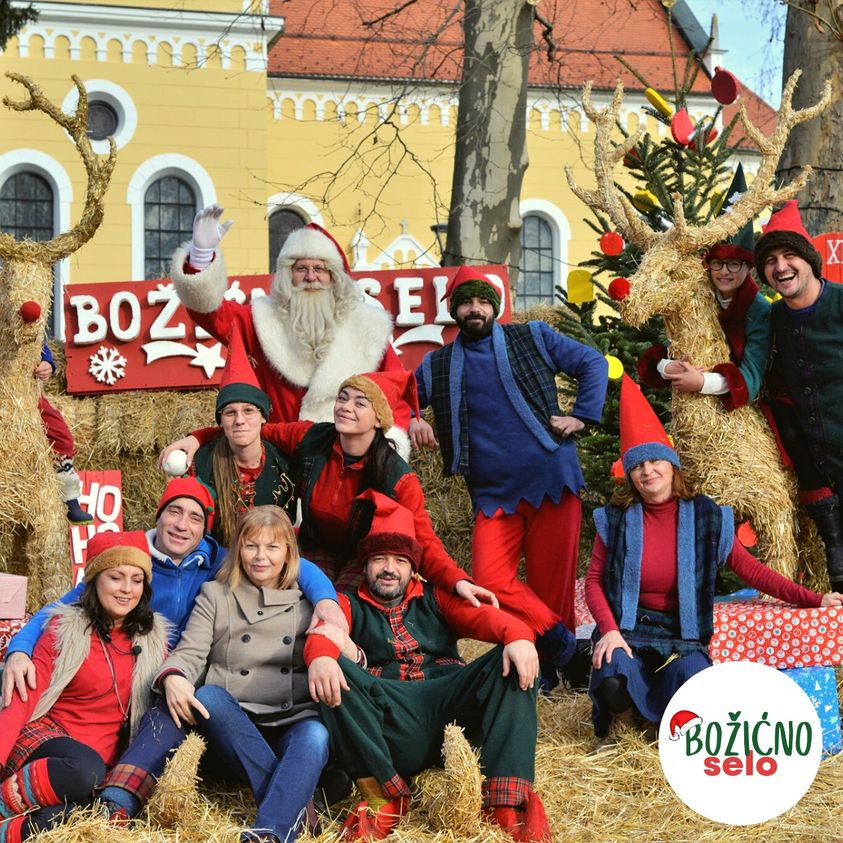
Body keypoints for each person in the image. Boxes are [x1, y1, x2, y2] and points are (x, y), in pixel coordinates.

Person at [2, 477, 341, 820]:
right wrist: (20, 648)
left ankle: (285, 806)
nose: (182, 525)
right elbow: (58, 612)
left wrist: (327, 601)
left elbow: (282, 558)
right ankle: (116, 803)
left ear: (205, 529)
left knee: (181, 707)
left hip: (175, 672)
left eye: (195, 518)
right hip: (151, 673)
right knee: (167, 709)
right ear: (158, 515)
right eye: (174, 512)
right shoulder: (129, 558)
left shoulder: (220, 562)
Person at [585, 375, 842, 749]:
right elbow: (594, 580)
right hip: (627, 628)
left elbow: (751, 570)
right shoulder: (615, 519)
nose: (648, 471)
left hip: (682, 634)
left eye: (656, 461)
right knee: (611, 676)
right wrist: (608, 631)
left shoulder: (705, 517)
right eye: (638, 466)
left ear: (672, 466)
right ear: (630, 474)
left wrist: (814, 599)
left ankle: (660, 723)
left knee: (697, 688)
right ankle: (626, 724)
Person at [306, 491, 550, 842]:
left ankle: (505, 804)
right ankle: (383, 796)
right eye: (379, 558)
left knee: (510, 656)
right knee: (334, 669)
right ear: (365, 564)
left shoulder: (435, 597)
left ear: (413, 568)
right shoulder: (347, 603)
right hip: (392, 718)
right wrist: (320, 657)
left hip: (450, 707)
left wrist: (520, 637)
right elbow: (322, 633)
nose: (389, 568)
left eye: (399, 560)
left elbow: (493, 620)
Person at [412, 265, 609, 688]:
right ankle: (566, 652)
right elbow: (397, 393)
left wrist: (582, 415)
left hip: (552, 481)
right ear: (454, 311)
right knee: (489, 581)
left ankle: (548, 674)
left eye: (482, 301)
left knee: (551, 585)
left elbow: (592, 362)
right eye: (466, 302)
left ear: (495, 307)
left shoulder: (532, 336)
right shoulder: (436, 364)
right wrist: (412, 417)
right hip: (492, 495)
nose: (475, 309)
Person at [161, 370, 495, 605]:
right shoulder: (313, 437)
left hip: (362, 558)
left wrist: (457, 580)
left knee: (342, 608)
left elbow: (424, 539)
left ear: (379, 419)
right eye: (342, 398)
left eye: (359, 403)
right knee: (294, 599)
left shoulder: (397, 477)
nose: (345, 407)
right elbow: (248, 428)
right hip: (314, 548)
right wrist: (196, 439)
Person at [170, 206, 412, 456]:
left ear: (334, 277)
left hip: (347, 461)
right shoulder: (260, 319)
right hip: (278, 458)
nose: (311, 277)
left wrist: (388, 447)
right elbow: (211, 313)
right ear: (288, 275)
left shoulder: (367, 327)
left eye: (320, 269)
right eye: (301, 269)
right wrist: (201, 256)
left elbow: (394, 390)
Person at [153, 506, 328, 843]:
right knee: (208, 696)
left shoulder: (309, 602)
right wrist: (173, 675)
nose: (260, 557)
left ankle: (268, 832)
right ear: (238, 549)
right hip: (234, 725)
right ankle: (293, 807)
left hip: (290, 718)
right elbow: (191, 651)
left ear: (288, 553)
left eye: (272, 547)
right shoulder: (216, 595)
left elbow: (335, 648)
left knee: (316, 735)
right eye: (251, 546)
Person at [0, 532, 169, 842]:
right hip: (50, 743)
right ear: (94, 579)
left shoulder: (152, 640)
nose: (127, 589)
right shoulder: (66, 629)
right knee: (85, 770)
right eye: (115, 577)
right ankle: (2, 803)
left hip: (99, 765)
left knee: (84, 816)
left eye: (136, 580)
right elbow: (24, 696)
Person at [757, 200, 843, 595]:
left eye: (789, 255)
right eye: (770, 260)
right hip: (819, 477)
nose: (780, 267)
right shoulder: (774, 319)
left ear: (809, 259)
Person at [638, 165, 770, 410]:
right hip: (689, 403)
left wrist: (702, 382)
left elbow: (753, 375)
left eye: (734, 264)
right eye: (718, 263)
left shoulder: (758, 310)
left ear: (748, 267)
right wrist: (666, 366)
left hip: (736, 410)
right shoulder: (698, 294)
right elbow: (672, 342)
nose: (724, 272)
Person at [171, 323, 295, 547]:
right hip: (215, 558)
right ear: (221, 422)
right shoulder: (200, 464)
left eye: (248, 411)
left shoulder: (285, 462)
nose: (239, 420)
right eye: (230, 413)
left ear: (263, 417)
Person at [36, 342, 92, 524]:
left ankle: (70, 499)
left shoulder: (17, 323)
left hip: (24, 394)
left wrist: (47, 363)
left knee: (61, 436)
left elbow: (36, 340)